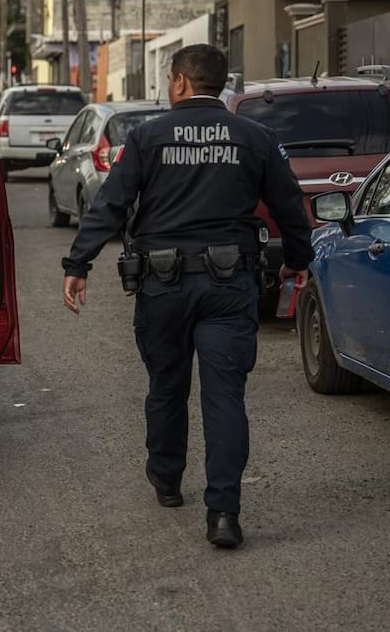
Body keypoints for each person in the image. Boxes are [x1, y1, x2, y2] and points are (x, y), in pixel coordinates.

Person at [60, 43, 313, 550]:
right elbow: (290, 203)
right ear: (219, 85)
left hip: (163, 286)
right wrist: (297, 261)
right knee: (225, 398)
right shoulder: (256, 137)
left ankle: (168, 480)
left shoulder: (148, 137)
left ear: (179, 82)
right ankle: (223, 514)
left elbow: (112, 203)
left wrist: (78, 264)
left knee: (167, 386)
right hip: (229, 284)